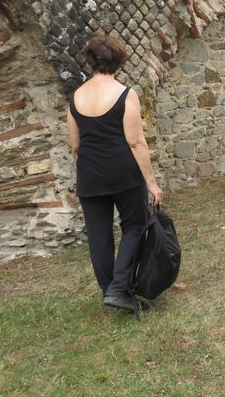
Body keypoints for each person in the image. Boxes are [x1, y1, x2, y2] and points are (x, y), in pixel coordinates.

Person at [67, 36, 163, 313]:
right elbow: (136, 142)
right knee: (134, 225)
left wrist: (88, 170)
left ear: (90, 61)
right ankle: (120, 289)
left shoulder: (75, 97)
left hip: (89, 173)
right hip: (122, 171)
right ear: (119, 62)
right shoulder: (125, 94)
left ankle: (111, 291)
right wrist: (152, 184)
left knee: (99, 236)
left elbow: (75, 146)